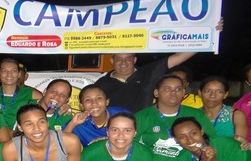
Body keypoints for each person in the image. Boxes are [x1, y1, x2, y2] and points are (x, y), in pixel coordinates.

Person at [94, 17, 223, 113]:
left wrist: (210, 35)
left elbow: (179, 56)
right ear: (112, 61)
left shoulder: (149, 72)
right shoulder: (102, 83)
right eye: (118, 59)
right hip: (116, 132)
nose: (123, 63)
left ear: (134, 60)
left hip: (144, 129)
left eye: (128, 58)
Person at [0, 58, 43, 131]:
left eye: (13, 71)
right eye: (5, 71)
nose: (9, 74)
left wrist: (60, 108)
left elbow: (48, 107)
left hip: (20, 137)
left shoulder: (31, 93)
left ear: (19, 74)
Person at [65, 84, 130, 147]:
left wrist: (105, 141)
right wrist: (73, 123)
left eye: (99, 98)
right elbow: (61, 145)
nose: (94, 103)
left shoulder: (122, 115)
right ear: (82, 106)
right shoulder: (79, 124)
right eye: (88, 100)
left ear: (107, 101)